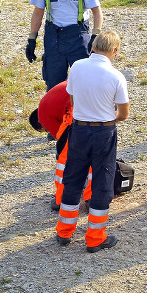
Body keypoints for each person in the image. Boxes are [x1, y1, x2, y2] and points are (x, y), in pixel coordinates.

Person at [55, 30, 129, 252]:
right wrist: (108, 118)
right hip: (103, 132)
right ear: (114, 51)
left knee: (73, 179)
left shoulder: (77, 66)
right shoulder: (116, 76)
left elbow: (72, 97)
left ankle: (64, 232)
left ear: (94, 46)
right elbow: (123, 113)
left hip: (78, 129)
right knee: (102, 182)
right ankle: (95, 237)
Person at [28, 81, 91, 211]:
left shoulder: (43, 115)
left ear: (41, 124)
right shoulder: (49, 103)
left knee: (63, 156)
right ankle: (93, 197)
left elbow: (61, 137)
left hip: (77, 110)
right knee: (93, 154)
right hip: (93, 104)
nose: (48, 131)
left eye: (45, 130)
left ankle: (62, 199)